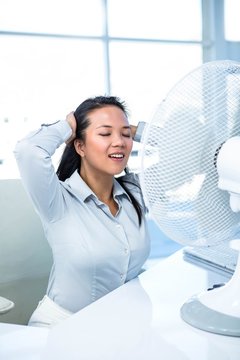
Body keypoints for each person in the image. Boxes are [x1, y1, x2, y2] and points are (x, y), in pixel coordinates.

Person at [14, 96, 150, 328]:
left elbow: (187, 157)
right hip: (63, 327)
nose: (119, 142)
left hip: (123, 325)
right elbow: (28, 150)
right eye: (105, 134)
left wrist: (139, 132)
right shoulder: (57, 200)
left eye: (125, 134)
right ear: (80, 146)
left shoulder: (136, 192)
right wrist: (68, 125)